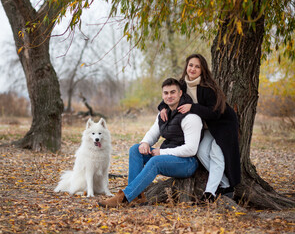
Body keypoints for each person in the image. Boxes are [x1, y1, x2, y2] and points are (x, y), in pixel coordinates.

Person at [98, 78, 203, 207]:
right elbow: (153, 133)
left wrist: (162, 152)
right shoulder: (163, 114)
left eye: (172, 92)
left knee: (155, 161)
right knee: (135, 149)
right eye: (166, 93)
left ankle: (124, 198)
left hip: (187, 163)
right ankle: (136, 196)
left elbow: (191, 149)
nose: (169, 96)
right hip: (168, 158)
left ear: (180, 93)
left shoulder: (191, 117)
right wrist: (145, 143)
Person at [159, 54, 241, 202]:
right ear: (186, 67)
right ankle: (225, 184)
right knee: (202, 152)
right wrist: (162, 108)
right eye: (191, 65)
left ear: (202, 70)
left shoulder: (208, 88)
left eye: (197, 66)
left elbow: (215, 113)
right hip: (207, 128)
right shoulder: (182, 85)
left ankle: (210, 193)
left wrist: (193, 107)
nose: (193, 69)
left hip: (223, 125)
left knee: (216, 154)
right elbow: (170, 96)